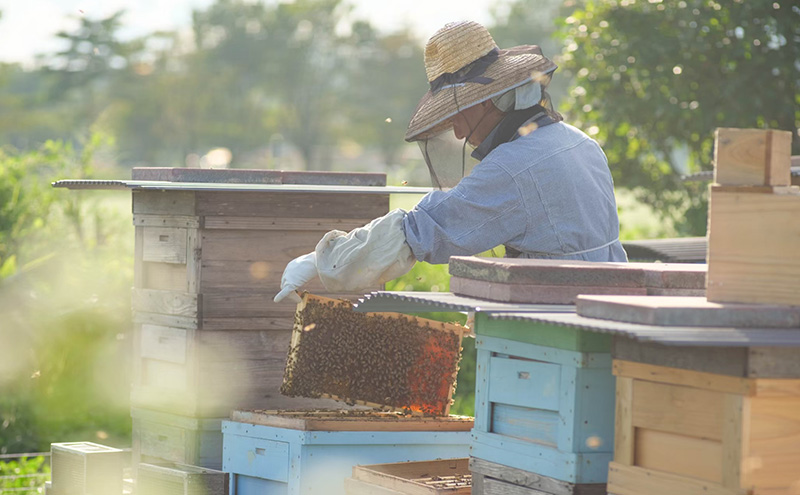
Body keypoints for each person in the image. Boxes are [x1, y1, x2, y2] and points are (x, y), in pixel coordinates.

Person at [274, 20, 627, 303]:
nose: (457, 133)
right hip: (609, 307)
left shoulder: (513, 167)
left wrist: (323, 262)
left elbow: (420, 230)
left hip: (559, 314)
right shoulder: (579, 142)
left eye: (457, 113)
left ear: (487, 101)